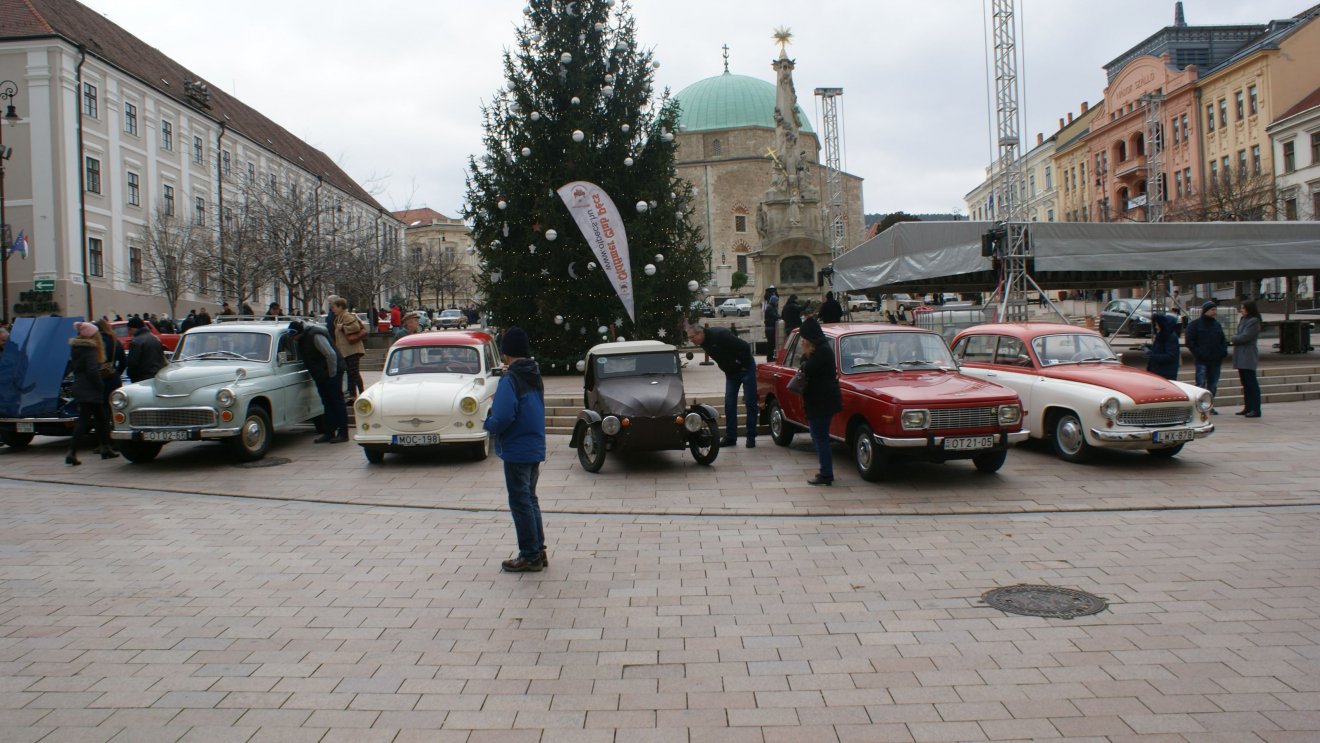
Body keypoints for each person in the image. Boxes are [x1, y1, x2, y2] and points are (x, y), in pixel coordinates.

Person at [482, 326, 548, 573]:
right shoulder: (534, 374)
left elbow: (503, 416)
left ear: (506, 353)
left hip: (517, 447)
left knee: (520, 501)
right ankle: (538, 550)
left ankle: (530, 555)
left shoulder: (510, 379)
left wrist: (488, 423)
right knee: (530, 499)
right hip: (534, 445)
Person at [687, 323, 758, 448]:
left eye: (692, 337)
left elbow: (745, 347)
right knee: (729, 403)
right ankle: (731, 437)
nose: (691, 341)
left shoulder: (720, 334)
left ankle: (751, 437)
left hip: (745, 368)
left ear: (700, 333)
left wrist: (743, 365)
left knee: (750, 402)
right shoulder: (704, 342)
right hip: (731, 373)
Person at [796, 318, 842, 486]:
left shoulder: (821, 352)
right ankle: (826, 471)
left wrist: (805, 359)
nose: (803, 342)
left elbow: (807, 368)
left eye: (804, 339)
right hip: (821, 400)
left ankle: (826, 474)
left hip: (821, 401)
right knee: (818, 437)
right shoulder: (821, 349)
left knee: (820, 438)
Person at [65, 322, 119, 466]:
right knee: (85, 420)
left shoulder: (76, 348)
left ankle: (105, 447)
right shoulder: (90, 349)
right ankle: (72, 451)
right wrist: (100, 385)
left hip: (80, 386)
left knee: (101, 418)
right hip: (89, 388)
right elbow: (92, 370)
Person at [288, 320, 348, 442]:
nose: (293, 339)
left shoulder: (315, 335)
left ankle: (343, 433)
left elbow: (330, 355)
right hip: (322, 374)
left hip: (332, 372)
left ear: (299, 333)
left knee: (337, 402)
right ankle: (329, 432)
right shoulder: (302, 338)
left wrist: (331, 375)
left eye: (294, 336)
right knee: (327, 403)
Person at [1183, 301, 1228, 413]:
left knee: (1213, 385)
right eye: (1212, 310)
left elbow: (1223, 340)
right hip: (1202, 359)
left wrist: (1223, 352)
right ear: (1206, 311)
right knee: (1200, 384)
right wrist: (1198, 352)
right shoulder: (1195, 324)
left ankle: (1209, 406)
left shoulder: (1216, 324)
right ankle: (1199, 406)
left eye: (1215, 310)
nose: (1214, 312)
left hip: (1215, 360)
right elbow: (1189, 341)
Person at [331, 297, 367, 400]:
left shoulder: (346, 316)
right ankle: (353, 395)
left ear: (340, 307)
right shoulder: (339, 317)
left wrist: (343, 328)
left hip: (353, 350)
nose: (332, 309)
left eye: (334, 307)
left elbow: (356, 327)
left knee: (353, 372)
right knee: (351, 373)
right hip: (346, 351)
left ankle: (361, 393)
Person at [1231, 300, 1262, 418]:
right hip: (1240, 353)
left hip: (1248, 353)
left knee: (1251, 382)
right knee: (1245, 383)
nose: (1241, 310)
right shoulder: (1244, 319)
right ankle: (1248, 407)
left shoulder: (1254, 320)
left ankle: (1255, 408)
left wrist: (1233, 338)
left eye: (1243, 308)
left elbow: (1246, 336)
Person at [95, 319, 127, 420]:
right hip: (113, 377)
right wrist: (116, 372)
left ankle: (104, 432)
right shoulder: (115, 341)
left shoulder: (96, 343)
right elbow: (123, 362)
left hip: (99, 378)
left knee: (102, 410)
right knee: (115, 407)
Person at [125, 316, 167, 382]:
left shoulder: (136, 342)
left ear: (133, 328)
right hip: (158, 375)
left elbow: (132, 363)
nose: (129, 332)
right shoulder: (155, 338)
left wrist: (132, 377)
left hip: (143, 378)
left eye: (129, 329)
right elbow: (162, 358)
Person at [1144, 313, 1181, 381]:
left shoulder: (1171, 337)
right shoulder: (1162, 335)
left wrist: (1151, 355)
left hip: (1165, 373)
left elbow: (1170, 356)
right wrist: (1149, 347)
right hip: (1157, 371)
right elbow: (1160, 348)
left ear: (1163, 325)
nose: (1156, 327)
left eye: (1157, 325)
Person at [763, 293, 780, 362]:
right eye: (776, 301)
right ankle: (769, 358)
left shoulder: (771, 307)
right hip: (770, 329)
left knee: (772, 344)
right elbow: (774, 316)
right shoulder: (770, 308)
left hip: (771, 328)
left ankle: (770, 357)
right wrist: (780, 317)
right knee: (770, 344)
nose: (777, 303)